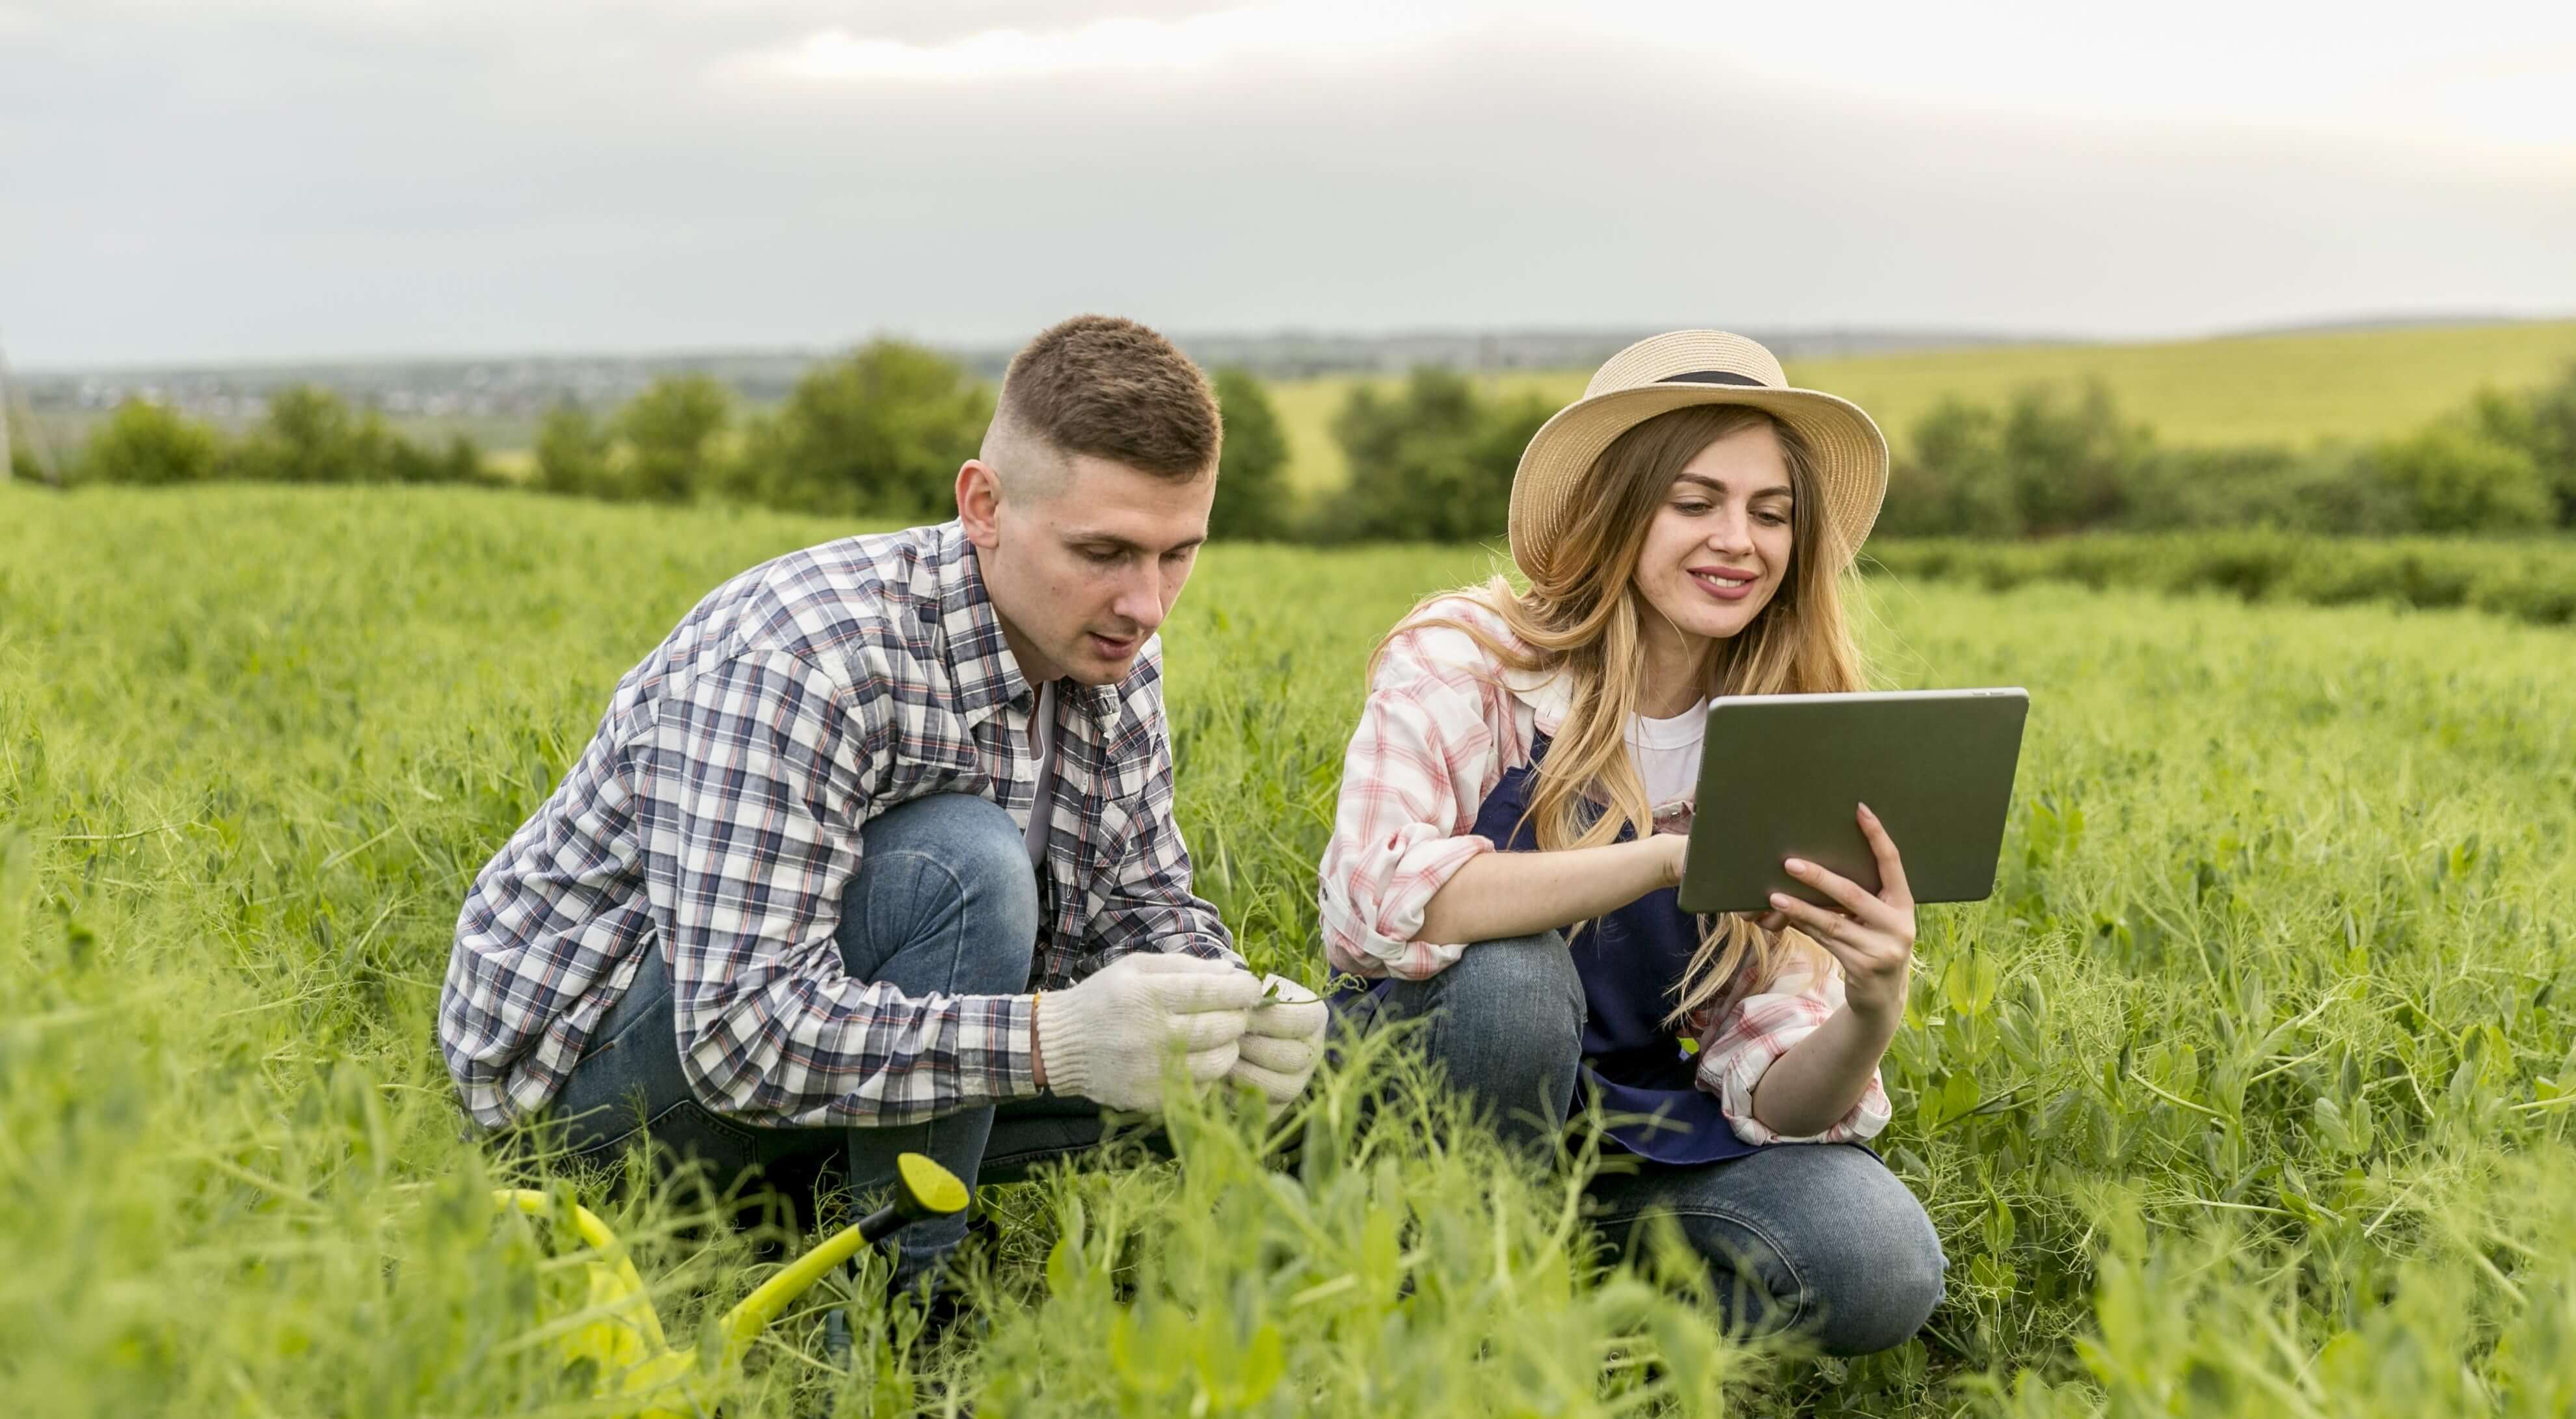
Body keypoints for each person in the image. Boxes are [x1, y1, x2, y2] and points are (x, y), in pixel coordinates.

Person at [439, 315, 1329, 1291]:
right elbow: (737, 1038)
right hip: (588, 1108)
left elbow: (1139, 903)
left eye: (1177, 554)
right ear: (983, 505)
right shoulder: (804, 657)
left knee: (1174, 1047)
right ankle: (897, 1329)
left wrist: (1235, 1006)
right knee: (966, 865)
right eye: (1105, 551)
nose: (1148, 605)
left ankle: (835, 1212)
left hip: (808, 1084)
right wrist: (1054, 1042)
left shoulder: (1111, 653)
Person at [1319, 331, 1947, 1355]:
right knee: (1514, 984)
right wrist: (1663, 859)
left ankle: (1579, 1341)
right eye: (1694, 502)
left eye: (1770, 512)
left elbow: (1778, 1092)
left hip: (1626, 1138)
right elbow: (1369, 899)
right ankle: (1437, 1286)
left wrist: (1872, 1008)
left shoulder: (1785, 728)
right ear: (1617, 506)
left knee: (1880, 1258)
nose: (1738, 540)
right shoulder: (1474, 660)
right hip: (1424, 1105)